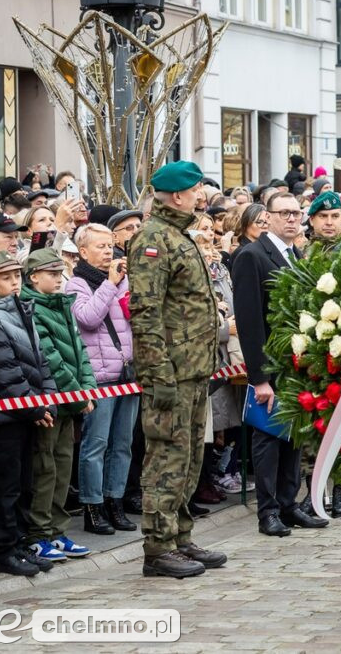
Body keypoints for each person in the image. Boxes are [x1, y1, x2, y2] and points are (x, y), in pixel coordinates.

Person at [128, 160, 228, 578]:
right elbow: (145, 312)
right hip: (169, 371)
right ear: (176, 196)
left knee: (188, 457)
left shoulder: (178, 235)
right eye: (194, 190)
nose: (200, 197)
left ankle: (180, 536)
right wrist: (157, 374)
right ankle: (157, 546)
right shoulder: (153, 240)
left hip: (193, 367)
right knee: (166, 458)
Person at [233, 192, 327, 538]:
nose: (291, 218)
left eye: (296, 212)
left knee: (294, 436)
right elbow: (249, 319)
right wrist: (259, 377)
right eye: (283, 213)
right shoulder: (252, 256)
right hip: (270, 364)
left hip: (297, 364)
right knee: (268, 438)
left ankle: (289, 505)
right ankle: (268, 510)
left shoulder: (295, 254)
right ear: (267, 217)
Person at [0, 253, 58, 576]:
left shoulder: (22, 311)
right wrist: (35, 406)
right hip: (6, 419)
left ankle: (18, 543)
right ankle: (3, 551)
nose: (15, 282)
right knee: (5, 487)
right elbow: (6, 372)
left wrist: (50, 400)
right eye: (6, 278)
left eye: (17, 276)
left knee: (26, 482)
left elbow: (40, 362)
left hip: (27, 414)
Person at [21, 249, 96, 562]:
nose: (58, 278)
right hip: (52, 400)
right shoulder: (32, 307)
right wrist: (78, 394)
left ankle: (56, 529)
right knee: (45, 468)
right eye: (52, 273)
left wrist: (88, 387)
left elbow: (79, 350)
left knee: (63, 466)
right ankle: (39, 533)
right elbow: (50, 357)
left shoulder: (62, 304)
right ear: (35, 276)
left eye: (59, 273)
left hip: (70, 402)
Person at [65, 223, 140, 535]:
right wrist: (110, 285)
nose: (109, 251)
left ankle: (115, 501)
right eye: (100, 246)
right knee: (96, 444)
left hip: (127, 373)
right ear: (83, 251)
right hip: (99, 377)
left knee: (122, 444)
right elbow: (88, 318)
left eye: (110, 246)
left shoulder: (121, 280)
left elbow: (132, 316)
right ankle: (92, 508)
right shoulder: (76, 284)